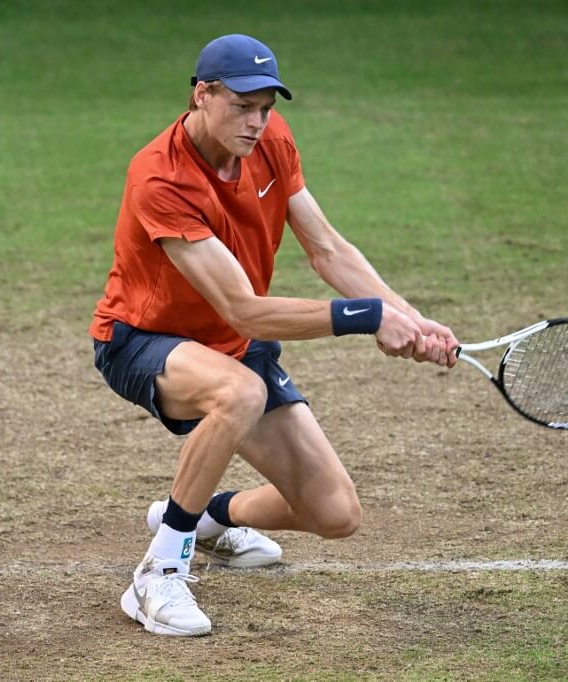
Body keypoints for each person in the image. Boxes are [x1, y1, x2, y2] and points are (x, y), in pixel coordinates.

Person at [89, 33, 458, 637]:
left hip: (231, 347)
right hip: (141, 340)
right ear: (201, 95)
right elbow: (245, 311)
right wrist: (366, 317)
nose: (257, 122)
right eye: (242, 105)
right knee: (239, 393)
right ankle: (159, 571)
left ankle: (204, 517)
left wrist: (408, 318)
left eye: (266, 106)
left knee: (334, 513)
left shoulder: (272, 141)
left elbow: (327, 247)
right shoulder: (161, 176)